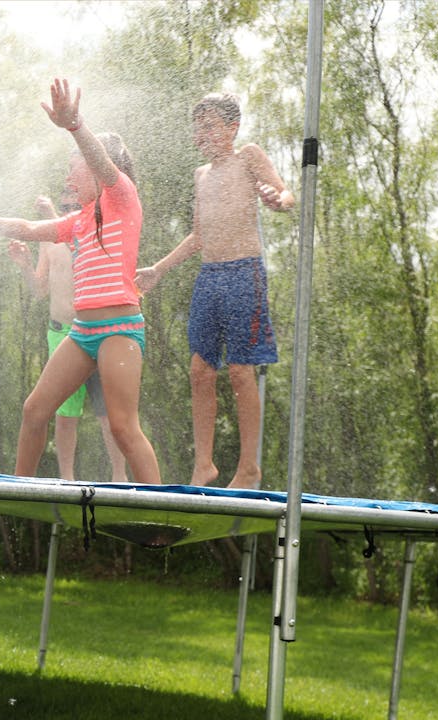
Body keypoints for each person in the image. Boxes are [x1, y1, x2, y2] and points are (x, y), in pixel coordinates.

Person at [0, 78, 161, 484]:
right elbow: (27, 227)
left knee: (122, 427)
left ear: (98, 169)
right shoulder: (78, 221)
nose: (67, 177)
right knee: (34, 410)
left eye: (72, 168)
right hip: (83, 332)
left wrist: (76, 125)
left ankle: (165, 515)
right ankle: (19, 492)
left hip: (120, 329)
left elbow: (101, 164)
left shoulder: (121, 198)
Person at [136, 92, 294, 489]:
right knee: (199, 370)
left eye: (210, 126)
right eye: (198, 127)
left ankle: (248, 468)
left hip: (245, 272)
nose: (202, 134)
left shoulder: (248, 157)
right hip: (210, 276)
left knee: (241, 372)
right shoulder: (200, 175)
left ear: (231, 128)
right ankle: (203, 465)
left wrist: (278, 199)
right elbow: (199, 236)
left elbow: (285, 194)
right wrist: (158, 268)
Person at [7, 194, 128, 482]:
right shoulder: (48, 241)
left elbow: (79, 250)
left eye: (73, 207)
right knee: (65, 413)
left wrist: (50, 213)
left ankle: (119, 476)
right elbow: (39, 290)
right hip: (60, 332)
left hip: (96, 332)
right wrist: (25, 265)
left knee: (108, 412)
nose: (69, 212)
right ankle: (67, 479)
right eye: (64, 208)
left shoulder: (92, 232)